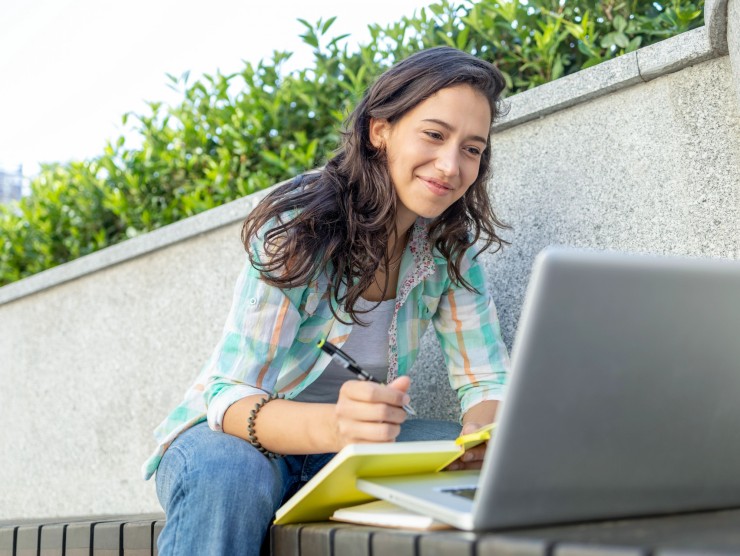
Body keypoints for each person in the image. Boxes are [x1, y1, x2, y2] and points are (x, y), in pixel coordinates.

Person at [143, 46, 511, 555]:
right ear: (379, 130)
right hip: (239, 442)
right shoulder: (300, 223)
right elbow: (228, 394)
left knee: (475, 466)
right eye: (434, 134)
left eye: (472, 148)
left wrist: (482, 436)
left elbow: (486, 380)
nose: (451, 165)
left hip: (349, 446)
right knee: (228, 475)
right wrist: (333, 426)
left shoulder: (449, 244)